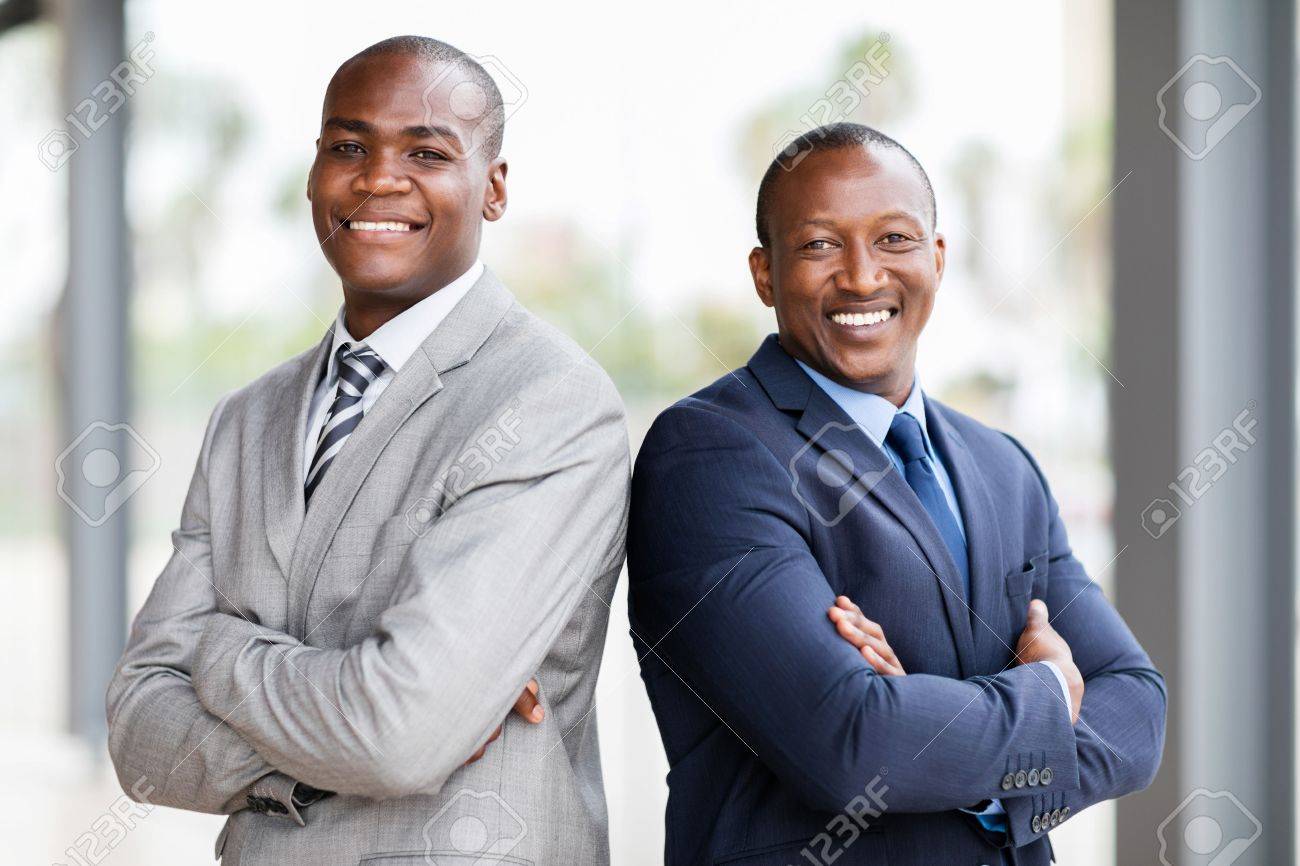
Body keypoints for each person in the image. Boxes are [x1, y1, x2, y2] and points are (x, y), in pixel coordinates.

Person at [106, 36, 628, 865]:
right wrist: (343, 725)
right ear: (314, 174)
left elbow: (398, 734)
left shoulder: (550, 401)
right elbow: (139, 733)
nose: (379, 178)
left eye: (426, 152)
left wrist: (213, 649)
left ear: (492, 189)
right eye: (348, 147)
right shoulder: (247, 418)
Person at [626, 122, 1165, 865]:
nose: (861, 277)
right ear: (763, 272)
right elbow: (850, 744)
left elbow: (1137, 707)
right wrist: (1044, 689)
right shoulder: (711, 454)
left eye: (894, 240)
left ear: (937, 259)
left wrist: (949, 746)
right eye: (819, 245)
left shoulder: (1003, 466)